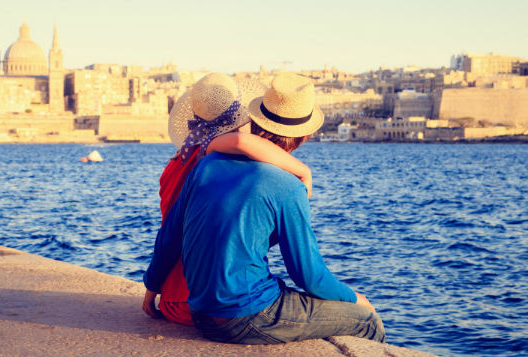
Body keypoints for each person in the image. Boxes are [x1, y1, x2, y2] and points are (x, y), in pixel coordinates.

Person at [144, 72, 385, 344]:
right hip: (245, 318)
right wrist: (357, 299)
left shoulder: (205, 166)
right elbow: (309, 276)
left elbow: (169, 237)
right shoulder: (287, 186)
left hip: (199, 312)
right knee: (367, 322)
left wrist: (151, 286)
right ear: (304, 136)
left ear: (256, 119)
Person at [144, 73, 314, 326]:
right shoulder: (224, 166)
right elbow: (241, 141)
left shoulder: (175, 164)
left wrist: (152, 287)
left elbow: (168, 233)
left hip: (171, 300)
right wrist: (304, 172)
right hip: (203, 303)